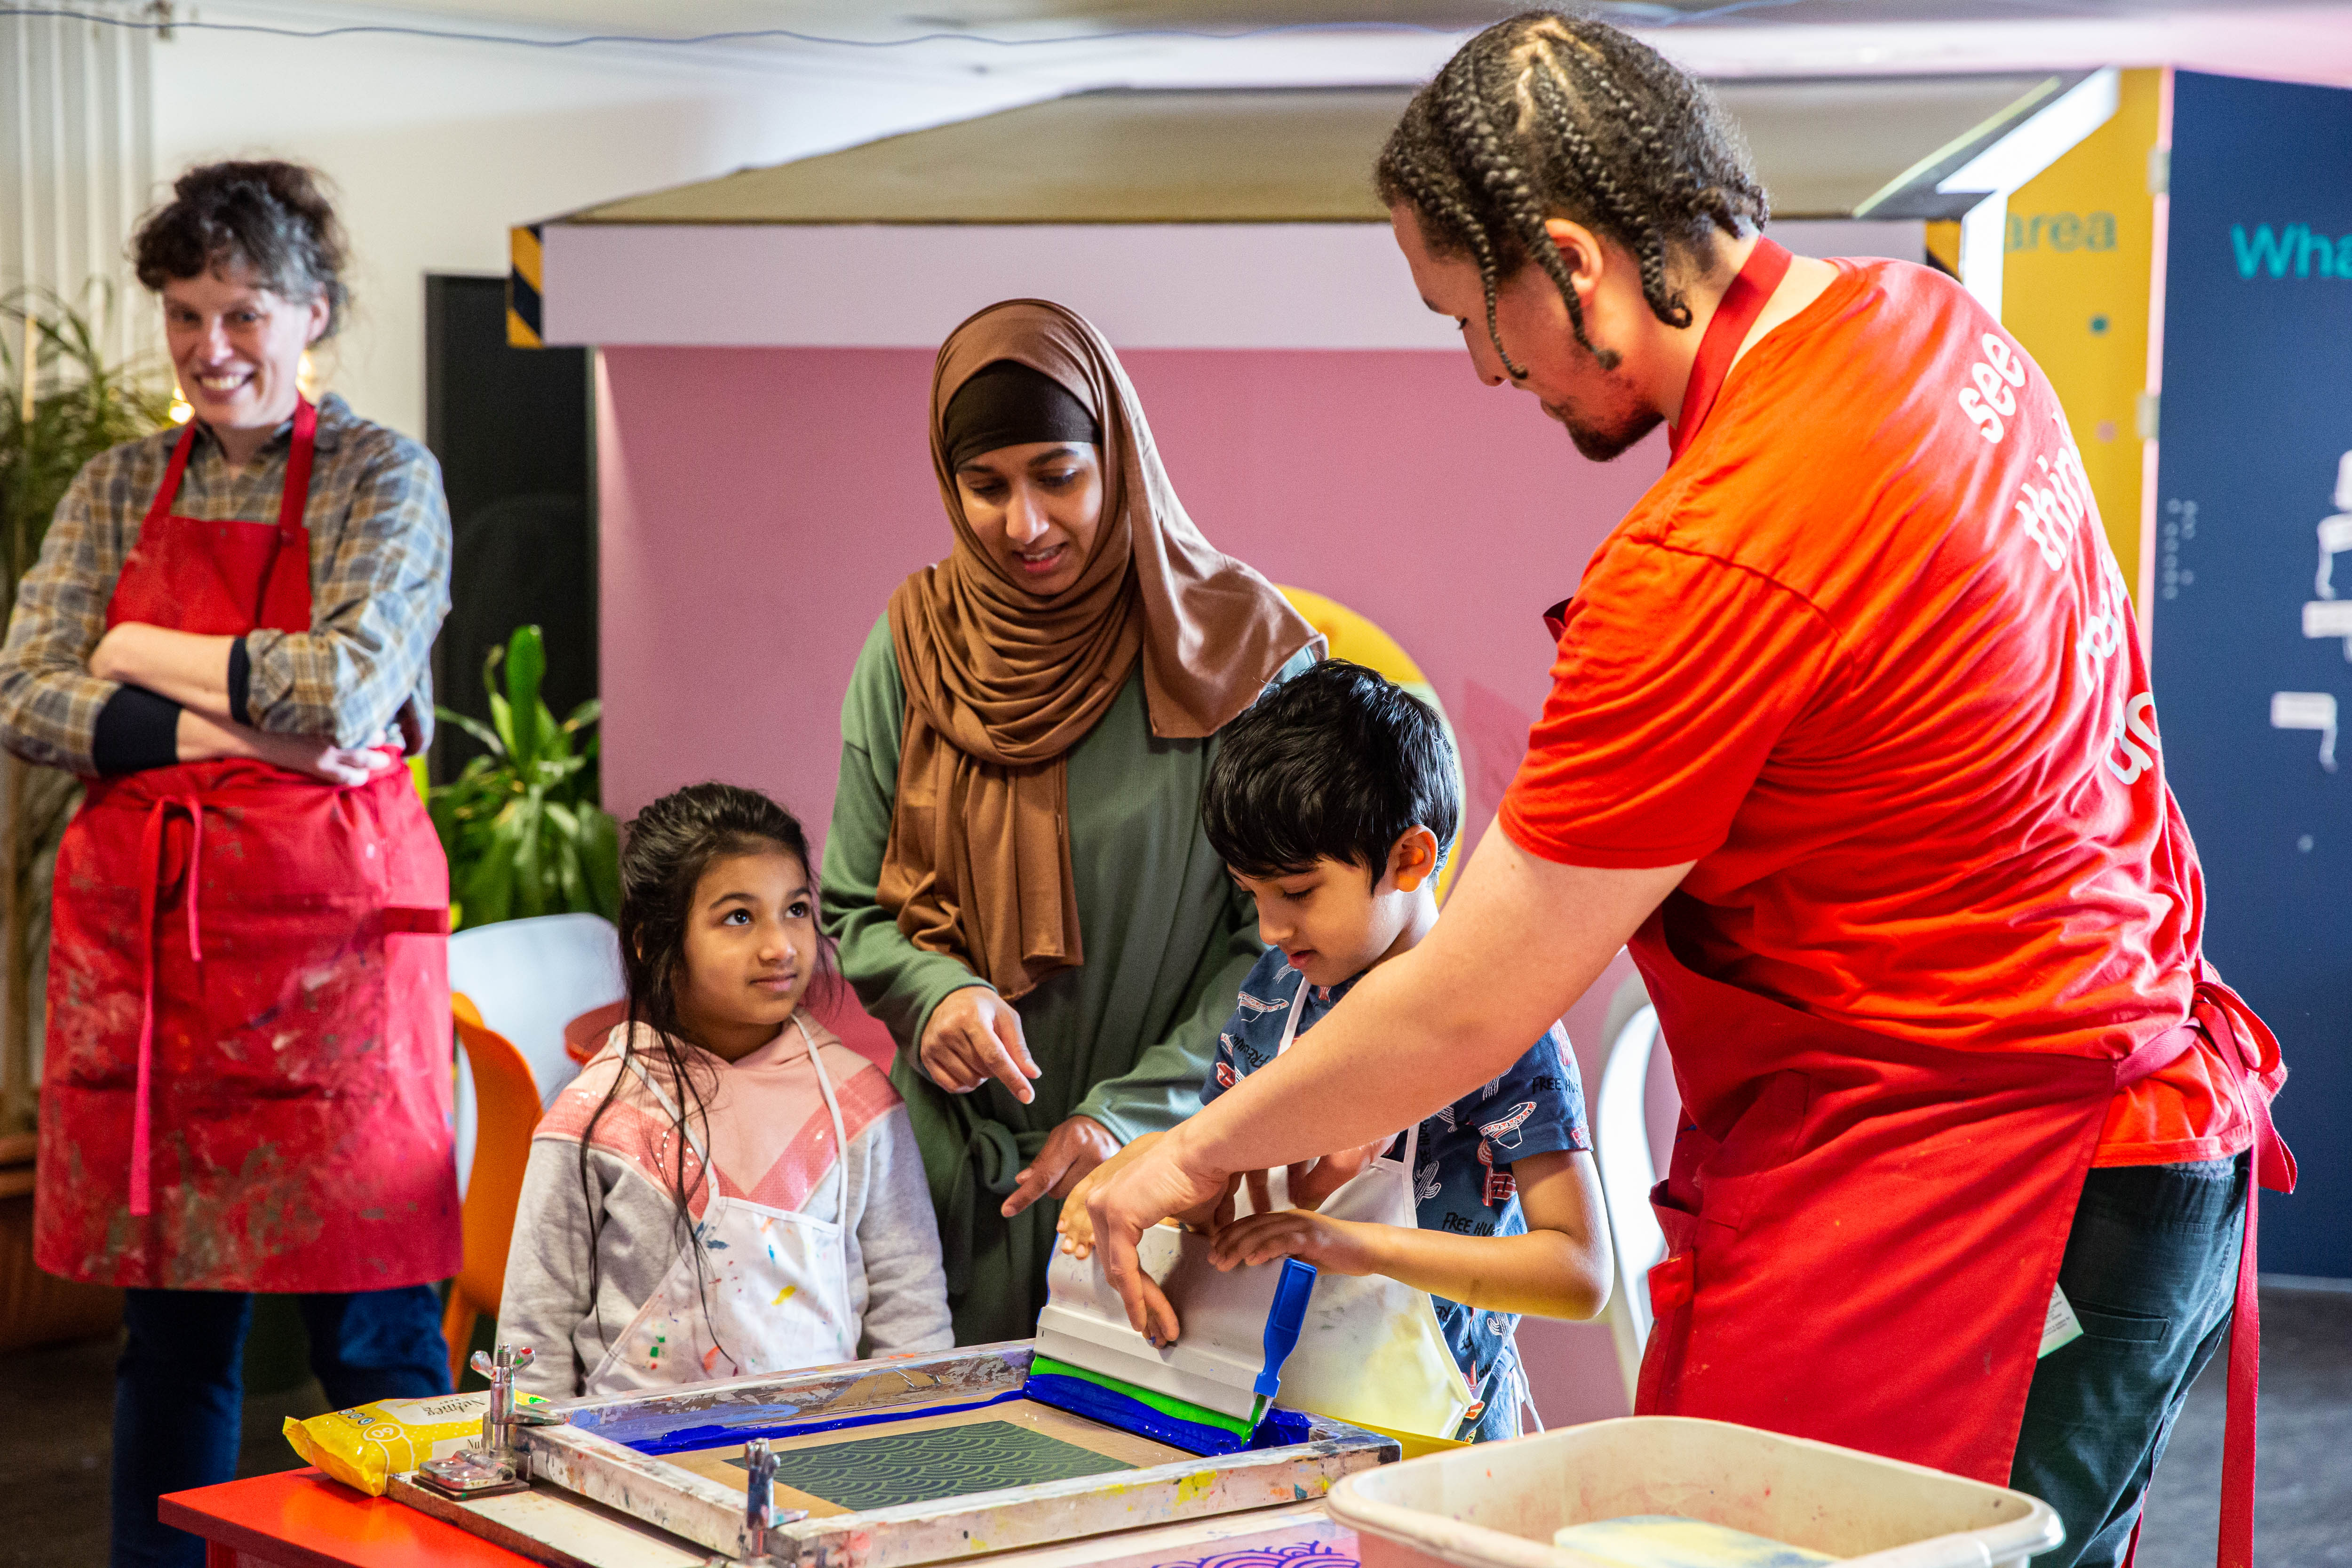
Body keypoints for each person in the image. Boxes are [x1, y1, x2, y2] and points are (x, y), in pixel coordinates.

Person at [1088, 16, 2292, 1568]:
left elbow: (1471, 999)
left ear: (1576, 265)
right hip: (2144, 1141)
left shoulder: (1719, 550)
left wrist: (1180, 1154)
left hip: (1993, 1195)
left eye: (1478, 317)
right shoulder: (1939, 333)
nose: (1485, 367)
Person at [0, 161, 457, 1567]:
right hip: (162, 993)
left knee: (380, 1342)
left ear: (311, 311)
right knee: (172, 1343)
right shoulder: (116, 483)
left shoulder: (385, 474)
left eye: (245, 311)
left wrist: (132, 663)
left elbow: (353, 682)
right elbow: (24, 691)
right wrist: (213, 723)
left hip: (342, 991)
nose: (213, 348)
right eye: (187, 313)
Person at [821, 298, 1320, 1344]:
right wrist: (935, 992)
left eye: (1058, 474)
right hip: (945, 1190)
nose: (1026, 524)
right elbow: (856, 903)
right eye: (986, 487)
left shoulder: (1237, 653)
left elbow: (1280, 947)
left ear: (1117, 453)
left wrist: (1129, 1118)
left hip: (1175, 1181)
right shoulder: (914, 648)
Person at [1063, 661, 1611, 1442]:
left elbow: (1579, 1273)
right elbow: (1225, 1178)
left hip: (1434, 1450)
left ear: (1411, 860)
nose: (1272, 929)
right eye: (1253, 895)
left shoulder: (1505, 1030)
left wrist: (1354, 1244)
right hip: (1269, 1421)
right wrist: (1139, 1169)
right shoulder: (1272, 990)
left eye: (1297, 892)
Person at [500, 784, 950, 1398]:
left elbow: (913, 1309)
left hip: (814, 1463)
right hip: (629, 1463)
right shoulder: (592, 1116)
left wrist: (907, 1441)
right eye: (739, 916)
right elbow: (535, 1333)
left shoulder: (858, 1105)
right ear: (651, 940)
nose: (781, 945)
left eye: (795, 909)